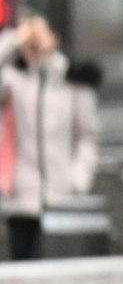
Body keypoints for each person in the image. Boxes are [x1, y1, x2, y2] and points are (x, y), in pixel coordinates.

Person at [0, 16, 99, 261]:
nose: (36, 39)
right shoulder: (15, 78)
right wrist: (14, 40)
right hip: (22, 198)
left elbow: (88, 137)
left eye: (41, 31)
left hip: (62, 196)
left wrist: (78, 180)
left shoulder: (74, 81)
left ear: (56, 37)